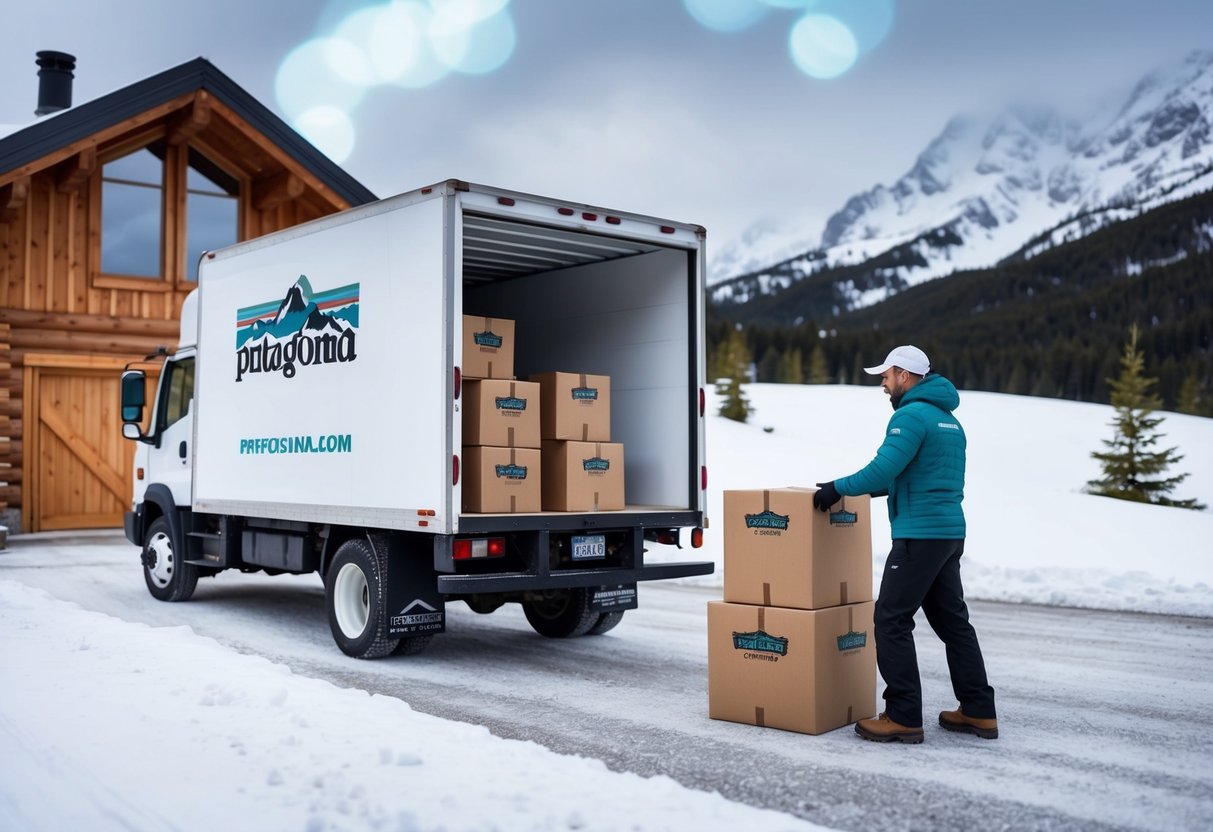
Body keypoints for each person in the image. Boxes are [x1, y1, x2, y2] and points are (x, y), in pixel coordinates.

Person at [812, 345, 997, 744]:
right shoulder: (948, 420)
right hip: (948, 534)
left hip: (919, 535)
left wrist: (838, 488)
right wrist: (854, 492)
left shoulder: (910, 416)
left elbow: (885, 467)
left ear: (904, 375)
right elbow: (907, 477)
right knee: (953, 624)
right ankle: (979, 709)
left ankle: (903, 715)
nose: (883, 384)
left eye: (885, 376)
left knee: (890, 619)